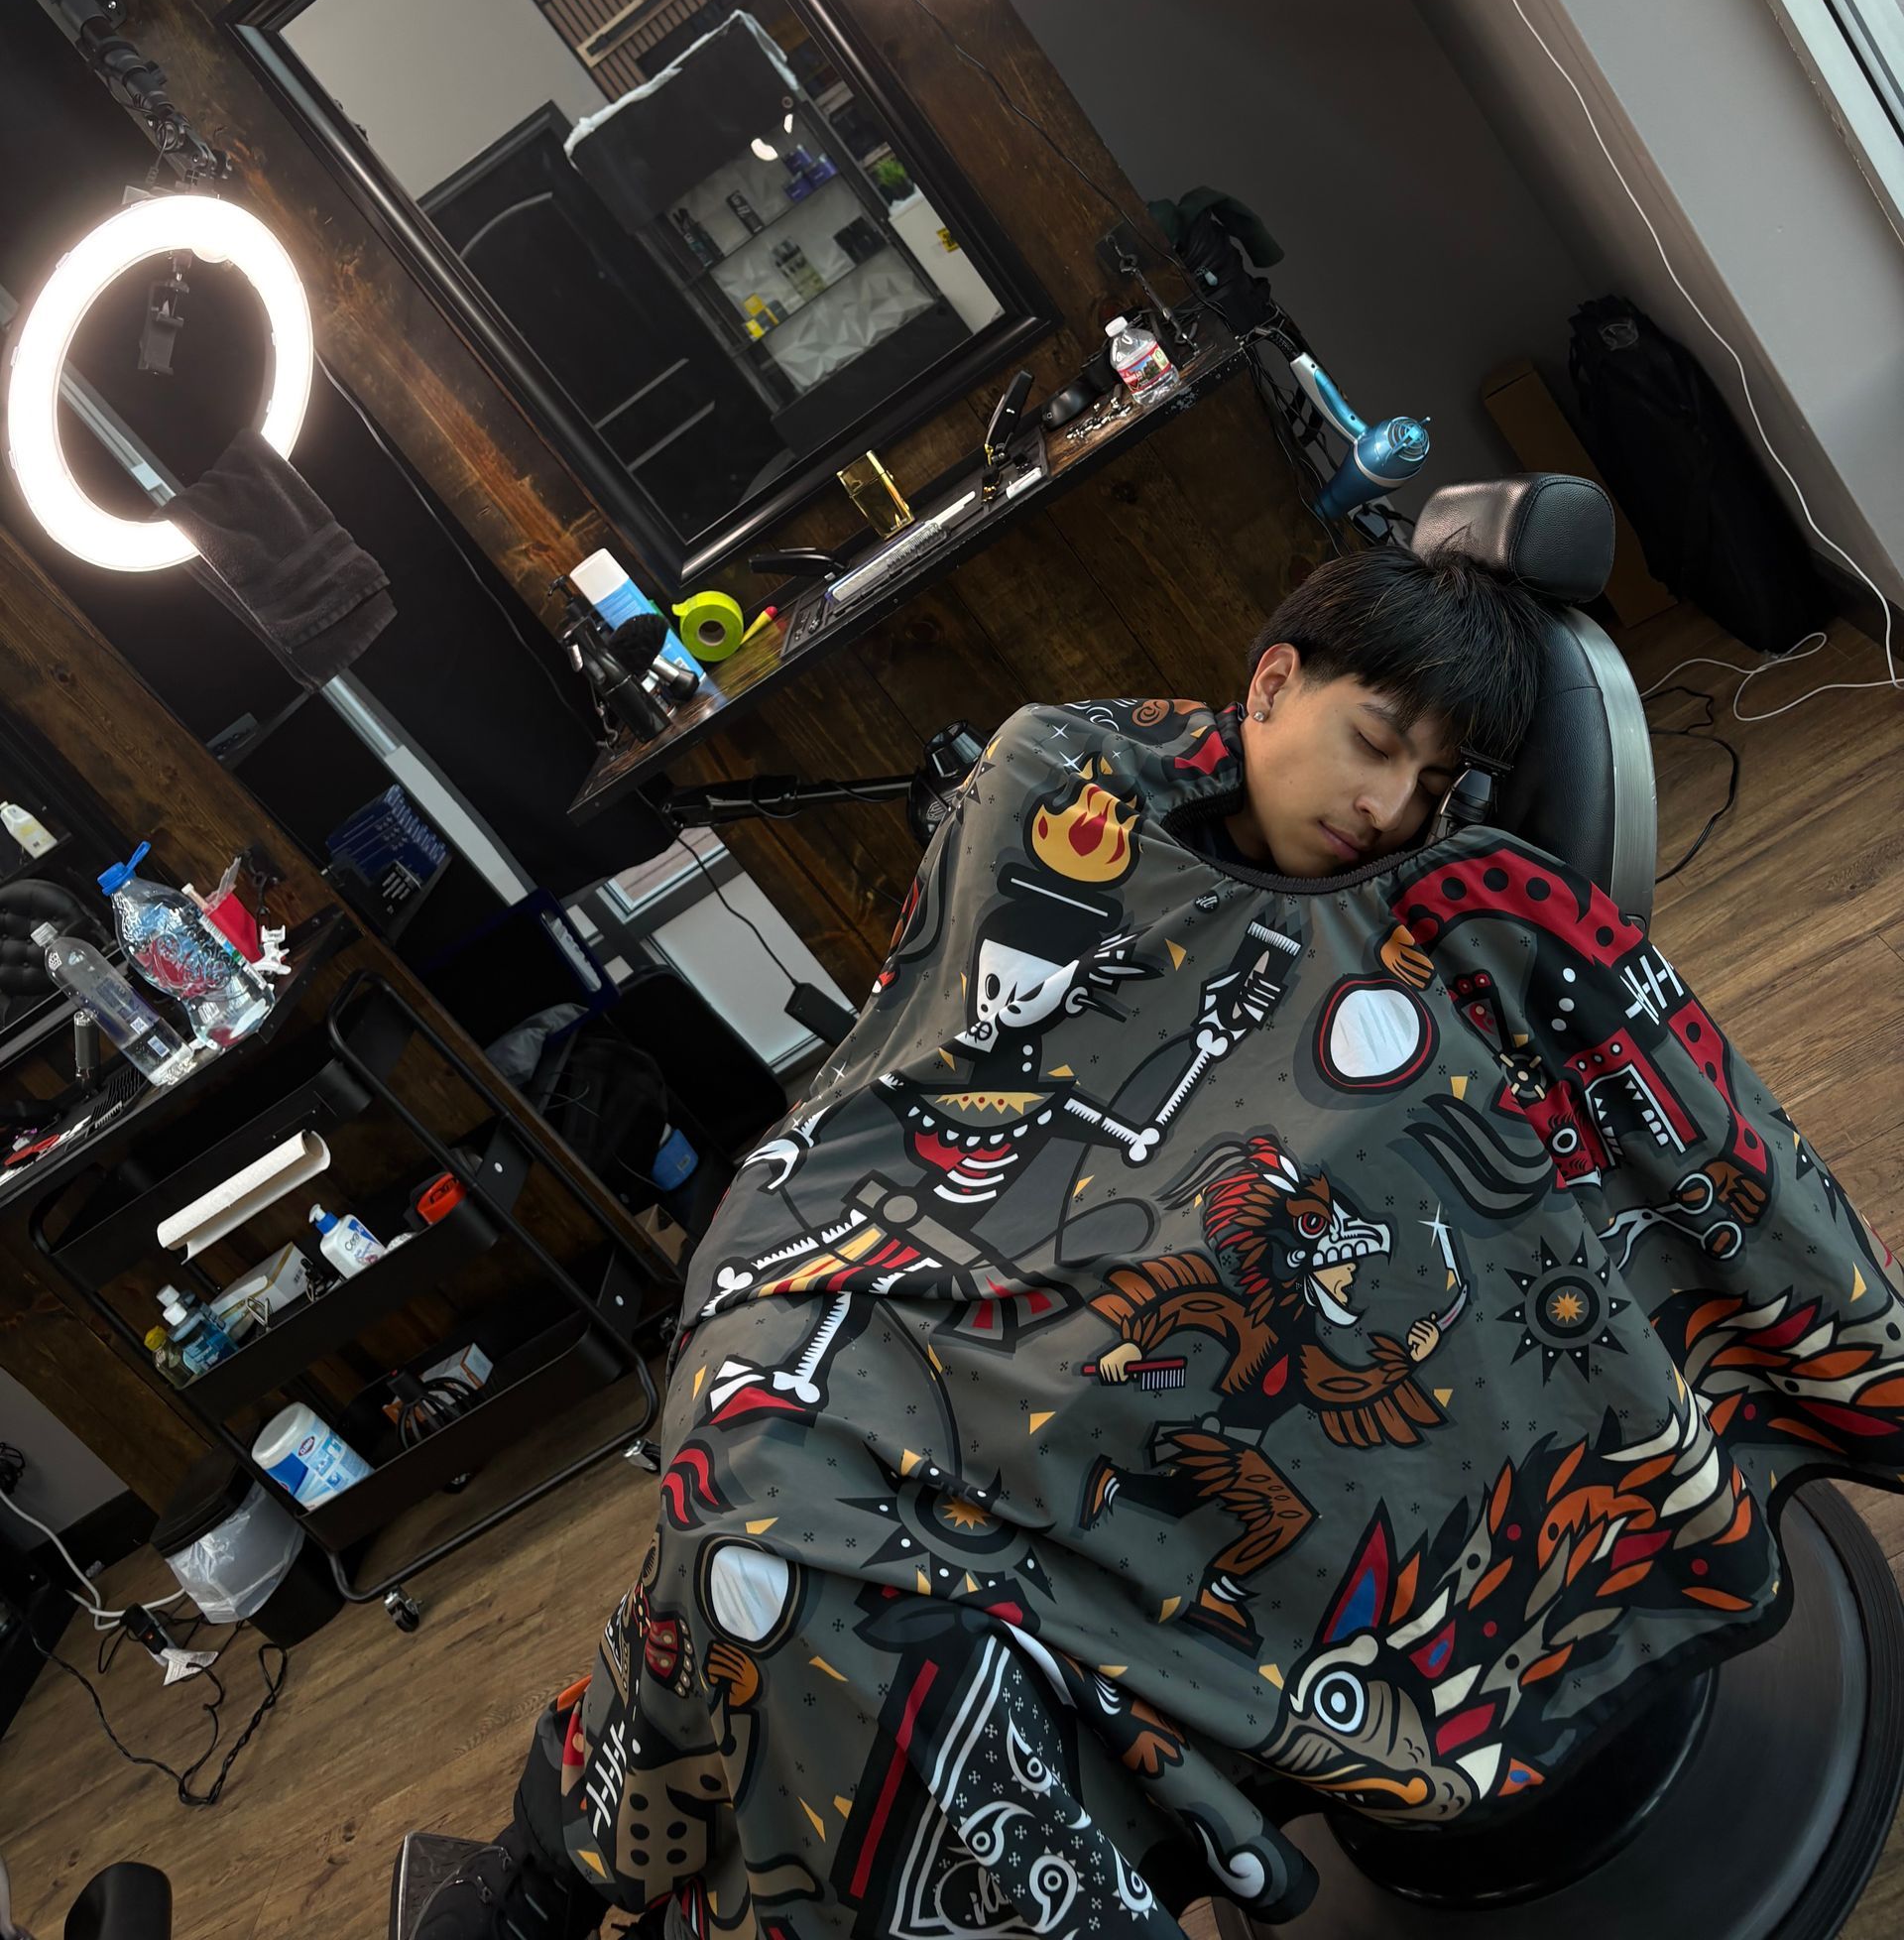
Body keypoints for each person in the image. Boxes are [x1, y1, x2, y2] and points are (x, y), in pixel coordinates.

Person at [418, 546, 1904, 1940]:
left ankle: (565, 1844)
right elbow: (939, 1048)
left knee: (773, 1539)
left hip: (1095, 1333)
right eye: (1377, 740)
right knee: (745, 1451)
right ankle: (566, 1844)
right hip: (921, 1256)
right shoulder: (1071, 785)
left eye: (1435, 779)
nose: (1391, 804)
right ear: (1272, 684)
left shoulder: (1418, 922)